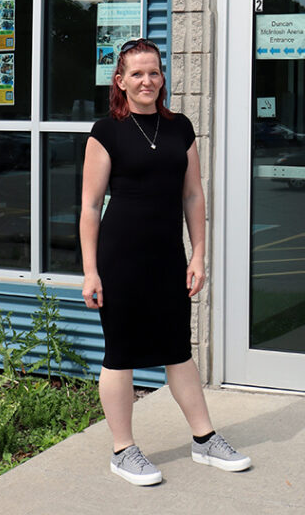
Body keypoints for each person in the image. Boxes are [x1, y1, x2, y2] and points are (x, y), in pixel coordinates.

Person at [80, 38, 250, 486]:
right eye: (136, 73)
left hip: (166, 258)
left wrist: (198, 254)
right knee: (120, 355)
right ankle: (123, 449)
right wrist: (91, 270)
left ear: (162, 77)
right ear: (120, 80)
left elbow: (193, 195)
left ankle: (204, 438)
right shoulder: (106, 131)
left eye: (153, 72)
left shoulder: (180, 129)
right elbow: (90, 206)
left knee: (179, 350)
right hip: (120, 259)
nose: (146, 80)